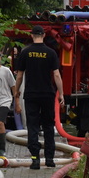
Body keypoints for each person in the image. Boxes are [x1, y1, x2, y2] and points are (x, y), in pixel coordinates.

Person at [14, 26, 64, 169]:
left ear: (31, 36)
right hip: (47, 94)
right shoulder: (51, 52)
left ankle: (35, 159)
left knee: (33, 126)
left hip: (31, 94)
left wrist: (16, 92)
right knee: (49, 126)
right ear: (43, 35)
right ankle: (49, 159)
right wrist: (60, 93)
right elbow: (56, 75)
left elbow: (19, 76)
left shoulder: (25, 53)